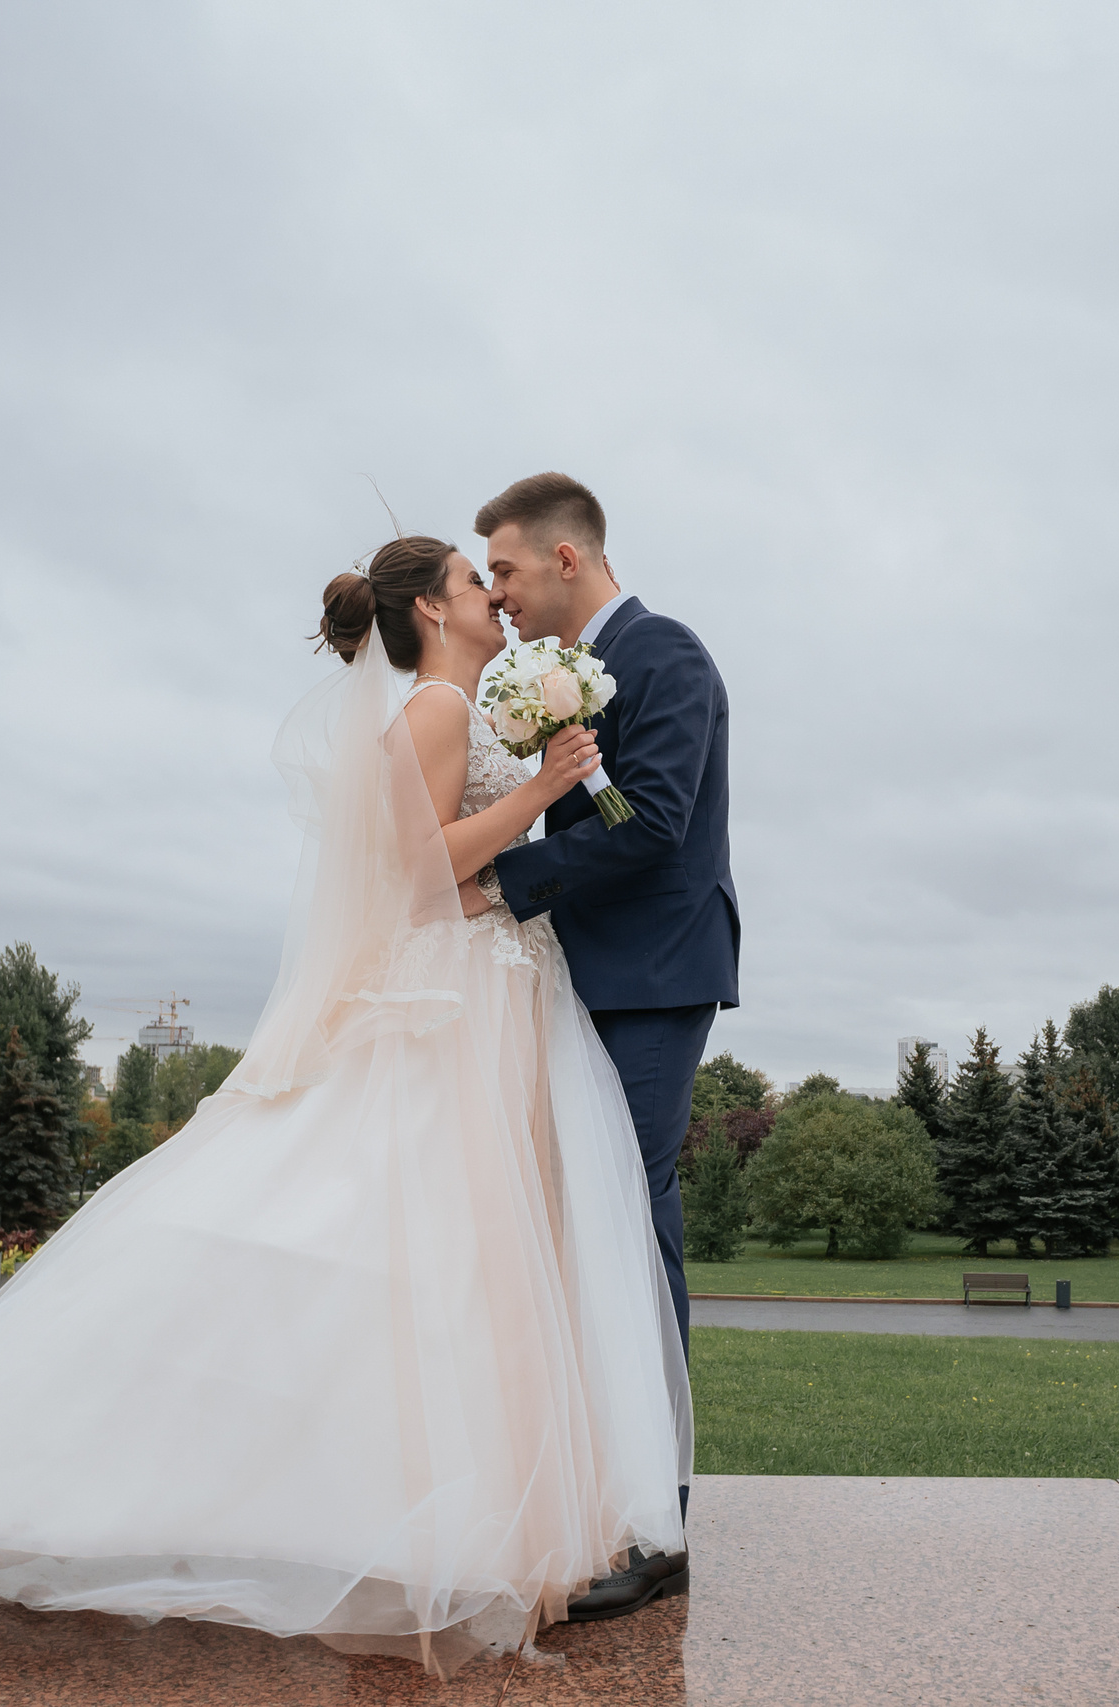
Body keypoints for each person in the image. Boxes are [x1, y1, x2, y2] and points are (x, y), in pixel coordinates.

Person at [0, 534, 692, 1678]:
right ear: (433, 609)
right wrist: (539, 789)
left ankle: (467, 1515)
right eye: (476, 583)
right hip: (454, 998)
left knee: (471, 1265)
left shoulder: (461, 704)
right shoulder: (433, 707)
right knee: (417, 1243)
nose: (496, 597)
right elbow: (421, 872)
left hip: (502, 992)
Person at [479, 471, 737, 1617]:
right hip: (581, 973)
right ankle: (616, 1488)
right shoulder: (552, 677)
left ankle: (655, 1522)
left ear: (566, 561)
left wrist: (509, 875)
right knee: (608, 1220)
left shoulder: (667, 654)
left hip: (652, 975)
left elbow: (660, 820)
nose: (499, 599)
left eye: (507, 573)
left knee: (627, 1222)